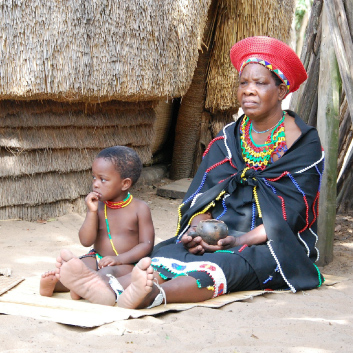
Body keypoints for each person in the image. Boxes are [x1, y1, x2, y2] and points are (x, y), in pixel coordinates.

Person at [53, 36, 325, 308]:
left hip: (271, 241)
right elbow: (204, 194)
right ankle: (105, 286)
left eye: (260, 83)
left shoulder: (303, 144)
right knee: (168, 253)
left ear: (281, 91)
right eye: (243, 82)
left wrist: (237, 240)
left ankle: (152, 295)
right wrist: (197, 231)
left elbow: (291, 213)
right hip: (219, 233)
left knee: (229, 263)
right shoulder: (229, 139)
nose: (248, 91)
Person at [40, 146, 155, 299]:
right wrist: (91, 212)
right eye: (94, 177)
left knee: (107, 273)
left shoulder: (140, 209)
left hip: (126, 263)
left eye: (103, 179)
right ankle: (55, 284)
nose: (95, 184)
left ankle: (84, 288)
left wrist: (118, 259)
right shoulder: (98, 206)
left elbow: (146, 245)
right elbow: (86, 241)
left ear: (125, 184)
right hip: (97, 257)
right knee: (80, 267)